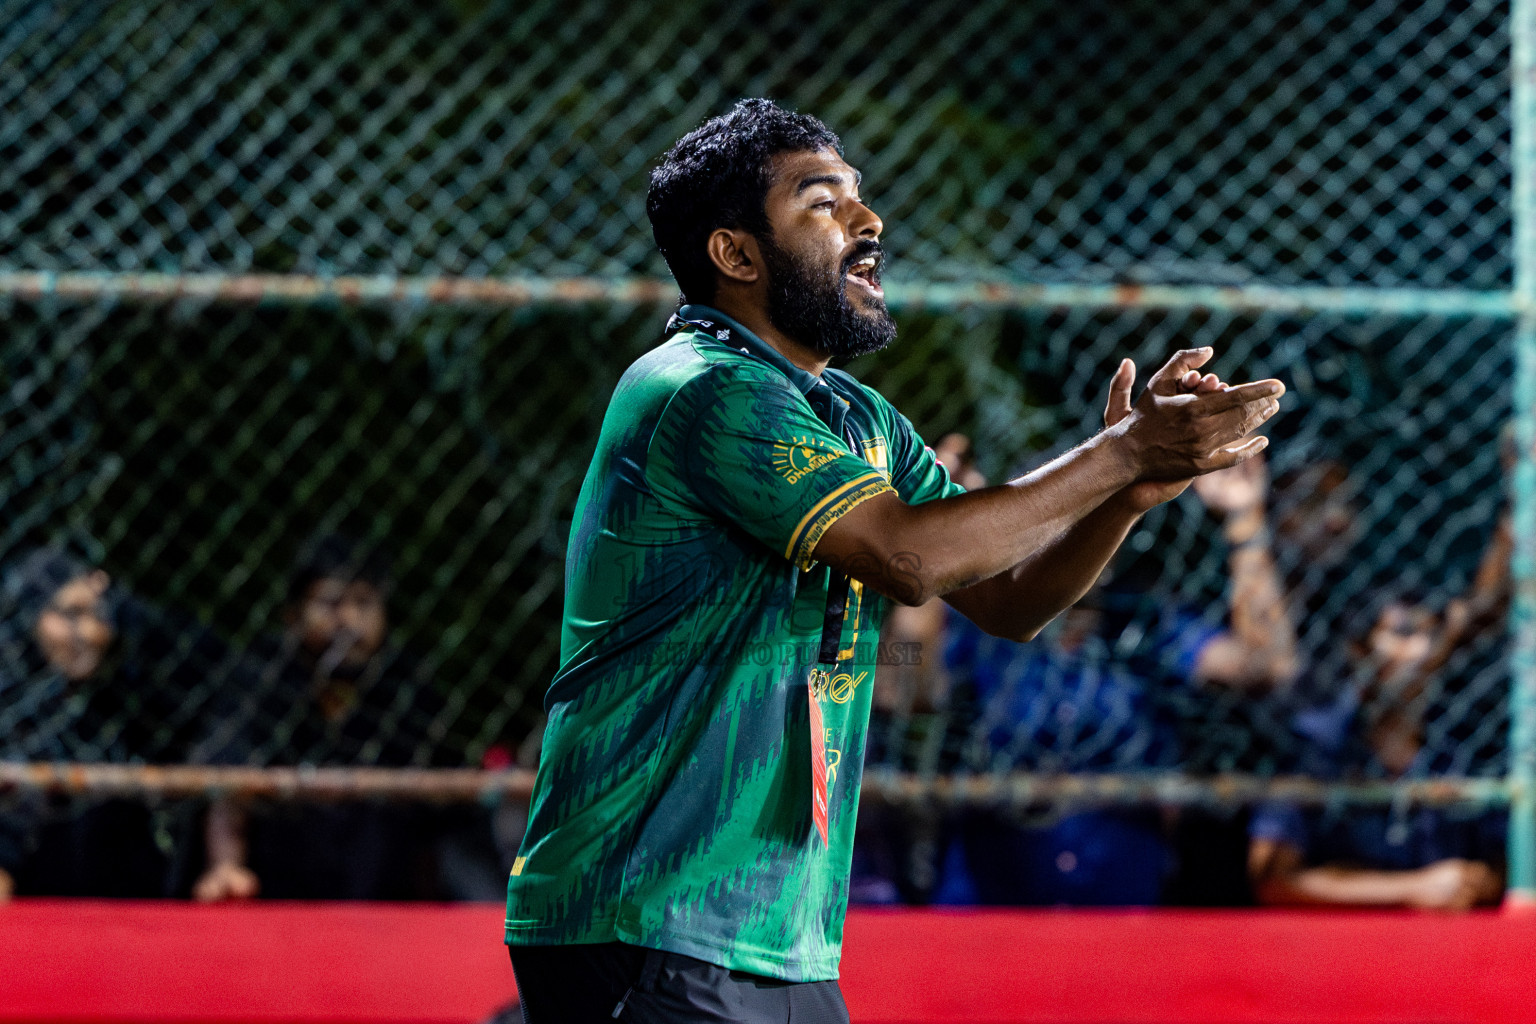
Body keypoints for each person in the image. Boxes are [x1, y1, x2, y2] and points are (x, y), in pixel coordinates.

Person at [504, 98, 1283, 1022]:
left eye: (860, 200)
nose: (869, 225)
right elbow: (908, 559)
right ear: (737, 254)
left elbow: (1011, 599)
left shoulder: (857, 419)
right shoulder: (705, 388)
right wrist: (1117, 454)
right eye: (823, 203)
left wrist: (1129, 493)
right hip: (639, 910)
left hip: (778, 931)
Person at [193, 534, 478, 902]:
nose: (348, 619)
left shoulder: (408, 688)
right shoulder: (262, 677)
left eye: (363, 602)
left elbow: (449, 817)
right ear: (293, 616)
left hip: (384, 900)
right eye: (330, 603)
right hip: (281, 887)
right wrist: (226, 867)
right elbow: (227, 780)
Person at [0, 548, 221, 900]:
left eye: (99, 614)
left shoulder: (122, 695)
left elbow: (207, 662)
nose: (86, 632)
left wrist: (125, 604)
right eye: (69, 614)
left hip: (117, 905)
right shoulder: (10, 699)